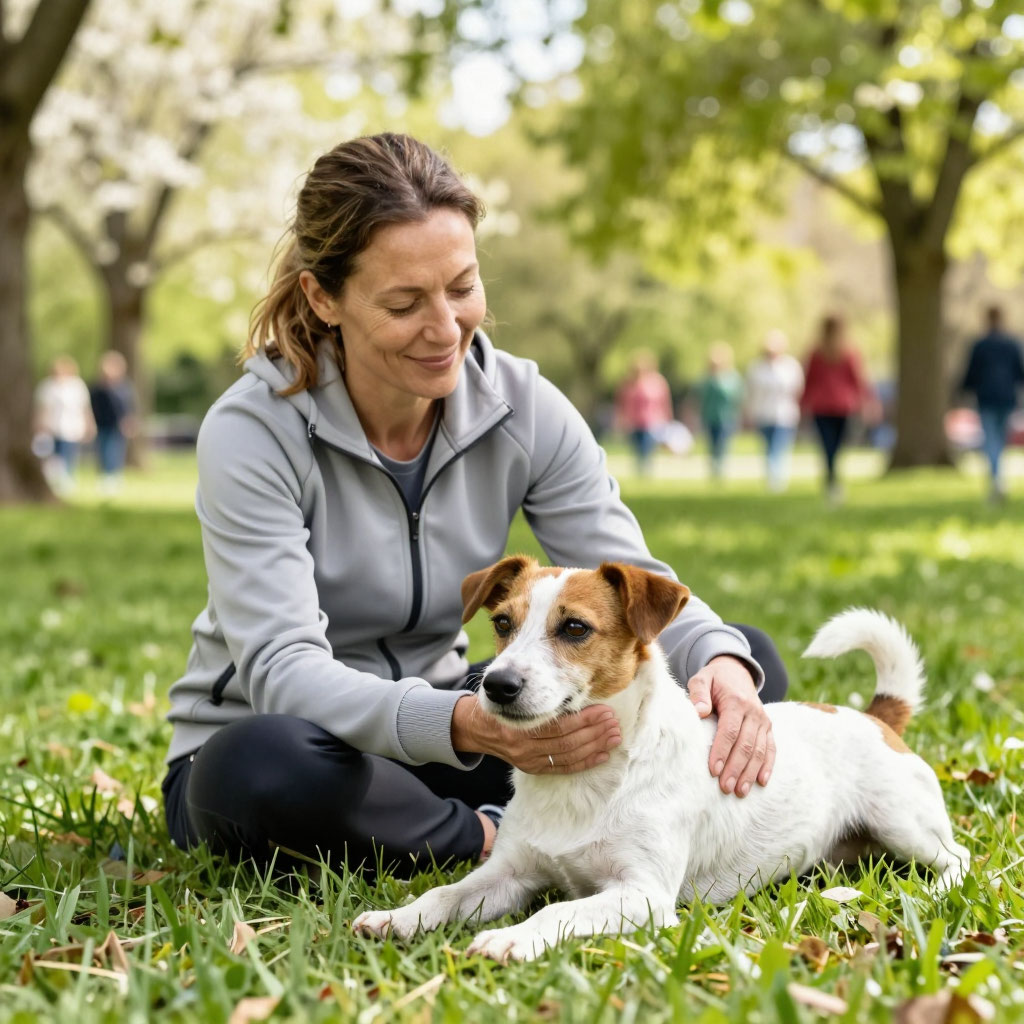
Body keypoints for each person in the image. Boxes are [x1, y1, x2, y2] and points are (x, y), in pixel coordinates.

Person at [161, 133, 790, 880]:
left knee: (743, 656)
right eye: (403, 303)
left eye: (461, 288)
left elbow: (634, 579)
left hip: (466, 725)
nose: (444, 328)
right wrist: (465, 723)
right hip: (306, 744)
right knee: (257, 768)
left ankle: (481, 826)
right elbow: (283, 668)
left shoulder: (522, 405)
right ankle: (490, 841)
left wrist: (721, 663)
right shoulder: (254, 430)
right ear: (322, 298)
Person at [800, 315, 874, 502]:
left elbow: (809, 381)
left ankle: (831, 480)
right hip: (840, 406)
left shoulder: (824, 353)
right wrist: (867, 402)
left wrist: (802, 404)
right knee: (835, 446)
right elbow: (859, 381)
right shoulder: (843, 352)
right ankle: (833, 481)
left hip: (826, 407)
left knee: (829, 446)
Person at [959, 306, 1024, 502]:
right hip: (1006, 398)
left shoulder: (981, 345)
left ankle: (995, 480)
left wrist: (962, 391)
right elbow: (1019, 372)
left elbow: (971, 373)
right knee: (1000, 440)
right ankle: (998, 479)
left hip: (987, 398)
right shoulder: (1011, 344)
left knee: (991, 440)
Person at [745, 330, 804, 492]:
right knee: (768, 447)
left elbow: (798, 390)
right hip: (763, 414)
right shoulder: (756, 368)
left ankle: (778, 480)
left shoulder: (791, 366)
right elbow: (750, 393)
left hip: (785, 415)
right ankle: (772, 478)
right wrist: (749, 413)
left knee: (779, 447)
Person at [33, 355, 95, 494]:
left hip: (71, 428)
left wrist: (89, 424)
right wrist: (39, 425)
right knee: (53, 457)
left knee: (68, 454)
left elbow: (85, 407)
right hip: (51, 427)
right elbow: (41, 408)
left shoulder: (77, 386)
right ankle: (56, 480)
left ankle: (67, 480)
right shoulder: (47, 386)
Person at [614, 350, 673, 475]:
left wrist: (667, 418)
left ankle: (646, 470)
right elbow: (623, 404)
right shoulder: (629, 384)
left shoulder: (657, 382)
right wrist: (622, 420)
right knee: (637, 447)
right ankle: (640, 470)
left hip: (652, 421)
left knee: (647, 446)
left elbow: (664, 402)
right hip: (634, 421)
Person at [89, 350, 138, 494]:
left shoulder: (124, 388)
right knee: (103, 450)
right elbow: (92, 406)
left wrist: (129, 421)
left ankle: (114, 476)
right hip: (101, 424)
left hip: (117, 425)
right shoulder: (98, 388)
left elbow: (128, 406)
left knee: (115, 450)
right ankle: (105, 476)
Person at [697, 343, 743, 479]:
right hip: (710, 416)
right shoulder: (706, 379)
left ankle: (721, 469)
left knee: (723, 444)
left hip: (726, 416)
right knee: (712, 444)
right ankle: (714, 470)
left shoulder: (732, 378)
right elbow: (699, 397)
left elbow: (737, 397)